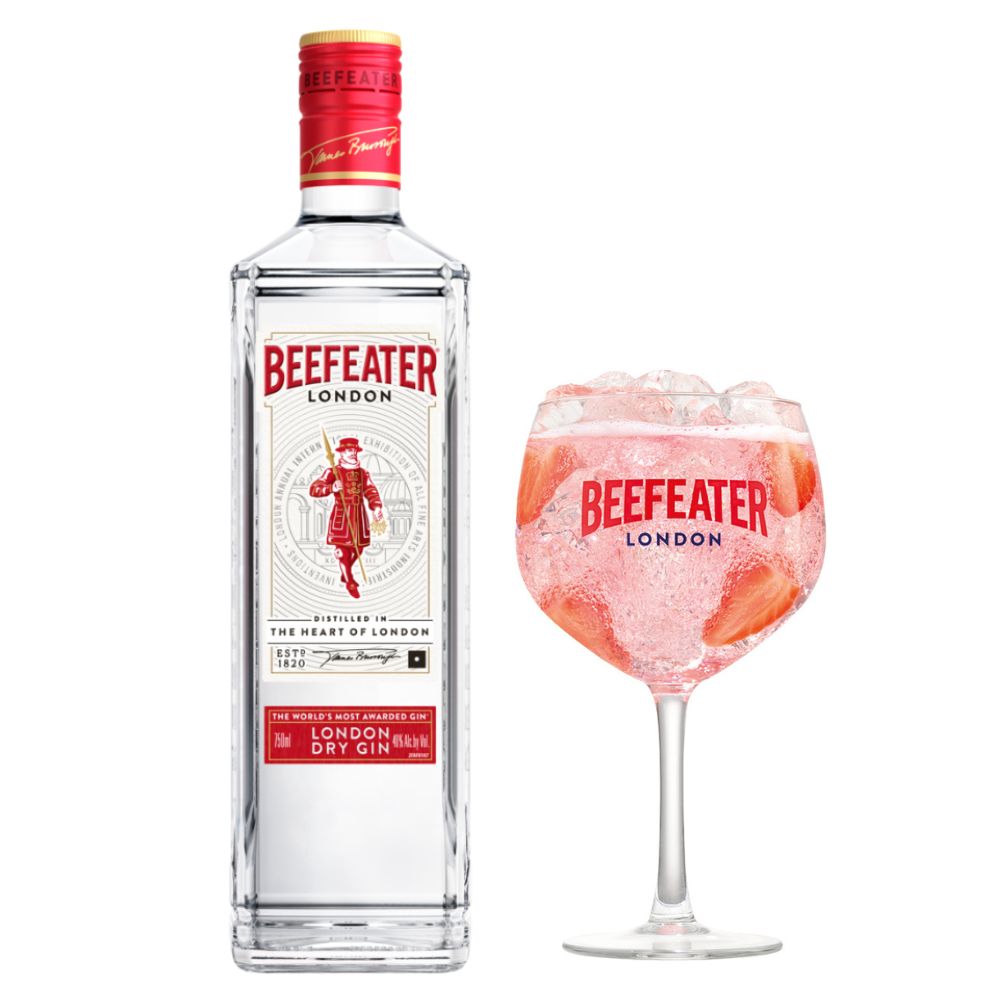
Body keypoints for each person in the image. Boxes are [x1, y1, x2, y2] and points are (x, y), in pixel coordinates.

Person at [309, 437, 383, 598]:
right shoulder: (332, 472)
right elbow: (314, 489)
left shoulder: (363, 473)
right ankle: (350, 582)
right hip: (341, 515)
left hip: (359, 516)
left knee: (359, 549)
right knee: (342, 551)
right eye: (349, 450)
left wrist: (377, 507)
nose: (353, 453)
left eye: (355, 450)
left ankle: (345, 570)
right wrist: (331, 487)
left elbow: (371, 490)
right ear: (341, 453)